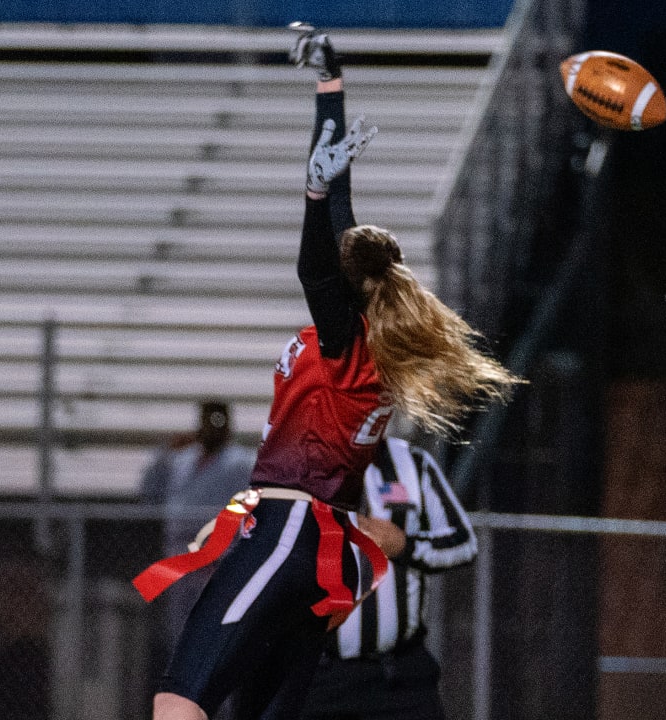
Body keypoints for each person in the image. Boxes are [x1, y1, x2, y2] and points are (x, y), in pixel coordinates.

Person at [132, 25, 520, 720]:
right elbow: (339, 206)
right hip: (318, 547)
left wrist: (313, 198)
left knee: (178, 704)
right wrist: (330, 84)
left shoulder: (350, 346)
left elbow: (316, 256)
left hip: (287, 531)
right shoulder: (367, 344)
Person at [300, 436, 477, 720]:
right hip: (318, 676)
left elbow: (464, 543)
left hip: (397, 676)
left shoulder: (413, 463)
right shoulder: (298, 464)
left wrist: (405, 546)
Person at [139, 400, 255, 670]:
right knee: (178, 632)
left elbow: (249, 505)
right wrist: (164, 452)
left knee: (216, 629)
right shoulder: (182, 460)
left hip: (216, 556)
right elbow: (148, 491)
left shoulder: (240, 463)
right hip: (178, 555)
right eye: (207, 421)